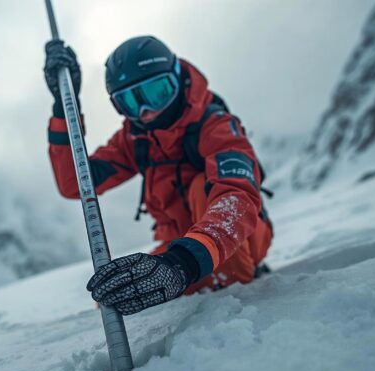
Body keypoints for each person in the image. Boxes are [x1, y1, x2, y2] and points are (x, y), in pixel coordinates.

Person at [43, 36, 273, 316]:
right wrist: (62, 108)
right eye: (131, 101)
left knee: (204, 188)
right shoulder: (136, 139)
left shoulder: (215, 126)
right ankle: (192, 277)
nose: (147, 112)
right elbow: (75, 184)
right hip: (181, 252)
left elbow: (237, 196)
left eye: (156, 92)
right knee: (117, 293)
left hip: (232, 242)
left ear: (177, 80)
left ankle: (228, 281)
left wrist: (183, 262)